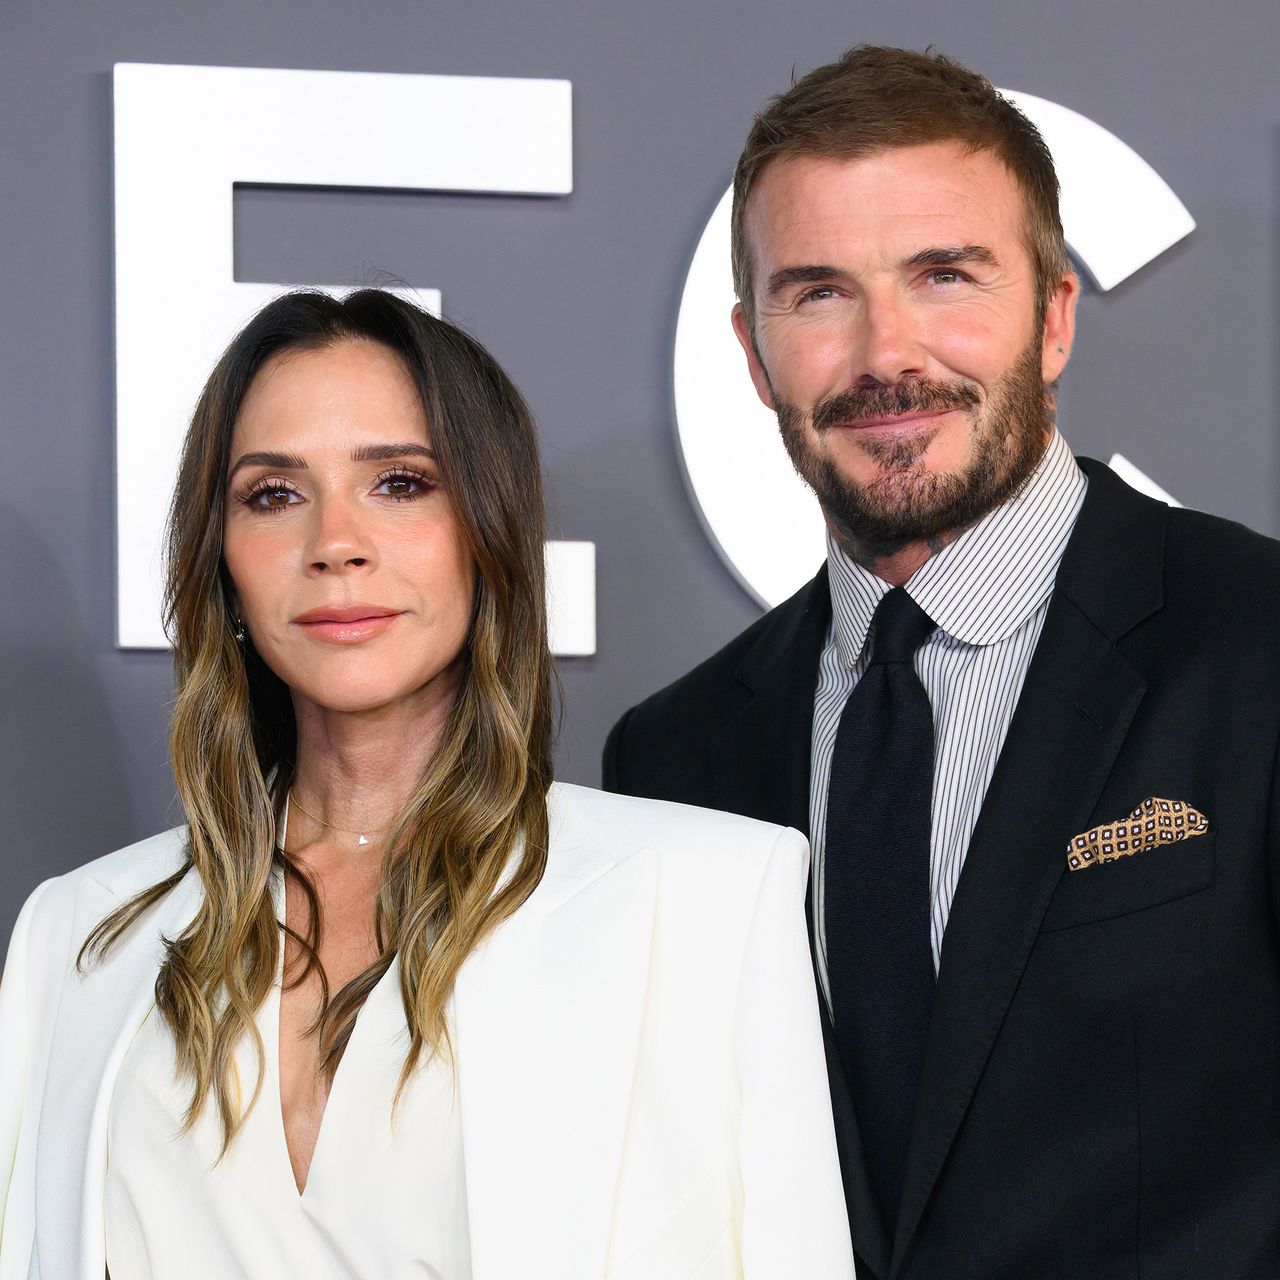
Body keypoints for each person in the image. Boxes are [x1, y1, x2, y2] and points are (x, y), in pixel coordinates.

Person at [0, 289, 854, 1279]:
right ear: (221, 562)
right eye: (273, 494)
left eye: (399, 483)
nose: (335, 542)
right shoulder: (76, 936)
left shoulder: (706, 899)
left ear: (489, 530)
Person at [605, 44, 1280, 1280]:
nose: (886, 353)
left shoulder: (1257, 643)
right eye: (818, 293)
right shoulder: (675, 754)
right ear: (752, 353)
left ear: (1054, 316)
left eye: (943, 275)